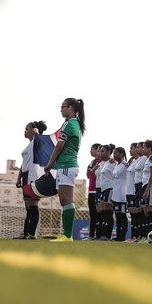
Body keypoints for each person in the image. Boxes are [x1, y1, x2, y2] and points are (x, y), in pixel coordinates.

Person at [44, 98, 85, 242]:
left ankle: (67, 235)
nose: (60, 109)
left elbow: (59, 146)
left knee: (66, 199)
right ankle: (66, 234)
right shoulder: (73, 123)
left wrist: (49, 164)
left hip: (67, 165)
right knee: (64, 200)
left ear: (71, 108)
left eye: (62, 107)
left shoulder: (70, 123)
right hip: (65, 165)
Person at [14, 120, 47, 239]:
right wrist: (19, 178)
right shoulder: (28, 145)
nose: (25, 131)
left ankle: (31, 234)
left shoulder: (36, 142)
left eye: (27, 128)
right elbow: (24, 164)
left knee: (33, 205)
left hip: (33, 176)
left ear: (33, 130)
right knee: (28, 206)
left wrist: (34, 128)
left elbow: (37, 135)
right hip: (25, 176)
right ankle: (25, 233)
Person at [97, 144, 116, 240]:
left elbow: (116, 175)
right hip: (103, 189)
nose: (100, 152)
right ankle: (102, 234)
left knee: (108, 212)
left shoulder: (112, 162)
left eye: (103, 151)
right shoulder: (105, 163)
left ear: (109, 152)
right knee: (104, 212)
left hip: (110, 188)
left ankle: (107, 235)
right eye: (100, 151)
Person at [111, 147, 129, 241]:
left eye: (116, 153)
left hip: (122, 193)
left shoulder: (125, 165)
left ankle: (122, 235)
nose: (114, 155)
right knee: (117, 215)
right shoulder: (116, 165)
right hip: (116, 193)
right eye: (113, 154)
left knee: (122, 215)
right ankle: (118, 235)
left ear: (122, 154)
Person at [132, 141, 148, 241]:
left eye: (139, 147)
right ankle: (139, 236)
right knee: (138, 210)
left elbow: (136, 168)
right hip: (137, 184)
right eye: (136, 147)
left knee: (142, 210)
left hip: (141, 184)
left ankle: (143, 235)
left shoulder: (144, 158)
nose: (137, 149)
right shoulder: (139, 159)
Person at [125, 143, 141, 242]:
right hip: (129, 191)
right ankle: (133, 236)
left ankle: (137, 236)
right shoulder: (133, 162)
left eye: (132, 148)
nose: (130, 150)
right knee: (132, 215)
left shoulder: (139, 162)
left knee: (136, 215)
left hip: (134, 191)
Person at [85, 143, 101, 240]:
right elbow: (88, 175)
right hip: (90, 191)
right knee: (92, 214)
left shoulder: (102, 162)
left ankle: (99, 235)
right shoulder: (92, 162)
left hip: (98, 190)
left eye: (92, 149)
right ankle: (91, 235)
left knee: (98, 214)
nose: (90, 151)